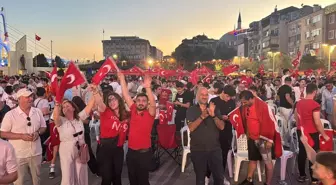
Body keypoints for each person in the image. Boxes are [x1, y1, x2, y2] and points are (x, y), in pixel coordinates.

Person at [0, 88, 47, 185]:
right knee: (19, 182)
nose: (30, 99)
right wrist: (21, 136)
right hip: (18, 155)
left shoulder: (37, 111)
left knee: (37, 180)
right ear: (19, 99)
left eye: (31, 96)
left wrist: (38, 133)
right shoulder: (10, 115)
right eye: (27, 97)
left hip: (36, 152)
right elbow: (2, 133)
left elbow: (43, 127)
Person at [118, 72, 156, 185]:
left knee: (143, 180)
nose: (141, 103)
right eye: (139, 101)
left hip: (144, 154)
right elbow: (125, 95)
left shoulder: (150, 114)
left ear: (147, 103)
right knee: (132, 179)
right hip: (131, 152)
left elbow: (153, 104)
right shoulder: (133, 109)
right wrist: (122, 79)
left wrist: (147, 87)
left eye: (144, 101)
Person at [238, 90, 282, 185]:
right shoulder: (246, 107)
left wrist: (269, 140)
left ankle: (268, 183)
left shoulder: (263, 106)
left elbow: (270, 123)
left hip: (264, 139)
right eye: (242, 102)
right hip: (252, 138)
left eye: (245, 102)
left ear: (251, 99)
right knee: (252, 159)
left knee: (268, 163)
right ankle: (249, 180)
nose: (243, 104)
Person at [186, 87, 225, 185]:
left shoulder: (214, 108)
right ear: (197, 96)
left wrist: (213, 116)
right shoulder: (191, 110)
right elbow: (191, 128)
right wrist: (202, 117)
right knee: (200, 179)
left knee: (219, 178)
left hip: (215, 148)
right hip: (198, 149)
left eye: (206, 94)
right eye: (202, 94)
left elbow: (222, 127)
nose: (204, 97)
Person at [53, 96, 95, 185]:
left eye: (68, 106)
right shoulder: (61, 120)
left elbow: (89, 107)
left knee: (81, 173)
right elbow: (56, 117)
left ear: (73, 108)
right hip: (66, 148)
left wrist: (94, 92)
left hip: (81, 147)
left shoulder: (79, 118)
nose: (66, 108)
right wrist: (57, 104)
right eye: (63, 107)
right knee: (67, 175)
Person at [92, 88, 129, 185]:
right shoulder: (106, 111)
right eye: (109, 100)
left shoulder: (125, 115)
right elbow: (100, 103)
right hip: (106, 148)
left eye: (114, 99)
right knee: (107, 178)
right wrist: (95, 92)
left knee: (117, 176)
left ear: (119, 100)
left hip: (118, 149)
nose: (112, 102)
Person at [295, 83, 330, 183]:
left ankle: (302, 175)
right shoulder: (315, 105)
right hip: (311, 132)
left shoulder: (299, 103)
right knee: (312, 155)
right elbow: (317, 122)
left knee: (302, 153)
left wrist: (299, 126)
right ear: (314, 91)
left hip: (300, 131)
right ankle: (313, 178)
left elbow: (296, 118)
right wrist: (324, 135)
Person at [72, 96, 99, 176]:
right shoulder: (84, 110)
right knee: (87, 151)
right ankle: (96, 170)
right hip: (84, 133)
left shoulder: (78, 112)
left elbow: (90, 120)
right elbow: (93, 119)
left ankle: (94, 169)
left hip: (79, 135)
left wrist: (80, 120)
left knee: (85, 152)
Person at [34, 87, 51, 162]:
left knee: (40, 138)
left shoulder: (35, 101)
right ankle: (44, 155)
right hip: (45, 121)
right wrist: (52, 111)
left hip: (37, 121)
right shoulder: (44, 101)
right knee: (46, 139)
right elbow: (45, 112)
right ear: (44, 93)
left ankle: (40, 154)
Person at [277, 76, 294, 143]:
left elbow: (277, 96)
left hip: (281, 108)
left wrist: (281, 101)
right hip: (287, 108)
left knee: (283, 125)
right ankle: (288, 141)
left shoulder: (281, 87)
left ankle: (283, 140)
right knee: (288, 125)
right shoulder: (288, 88)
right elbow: (287, 97)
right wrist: (293, 104)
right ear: (290, 82)